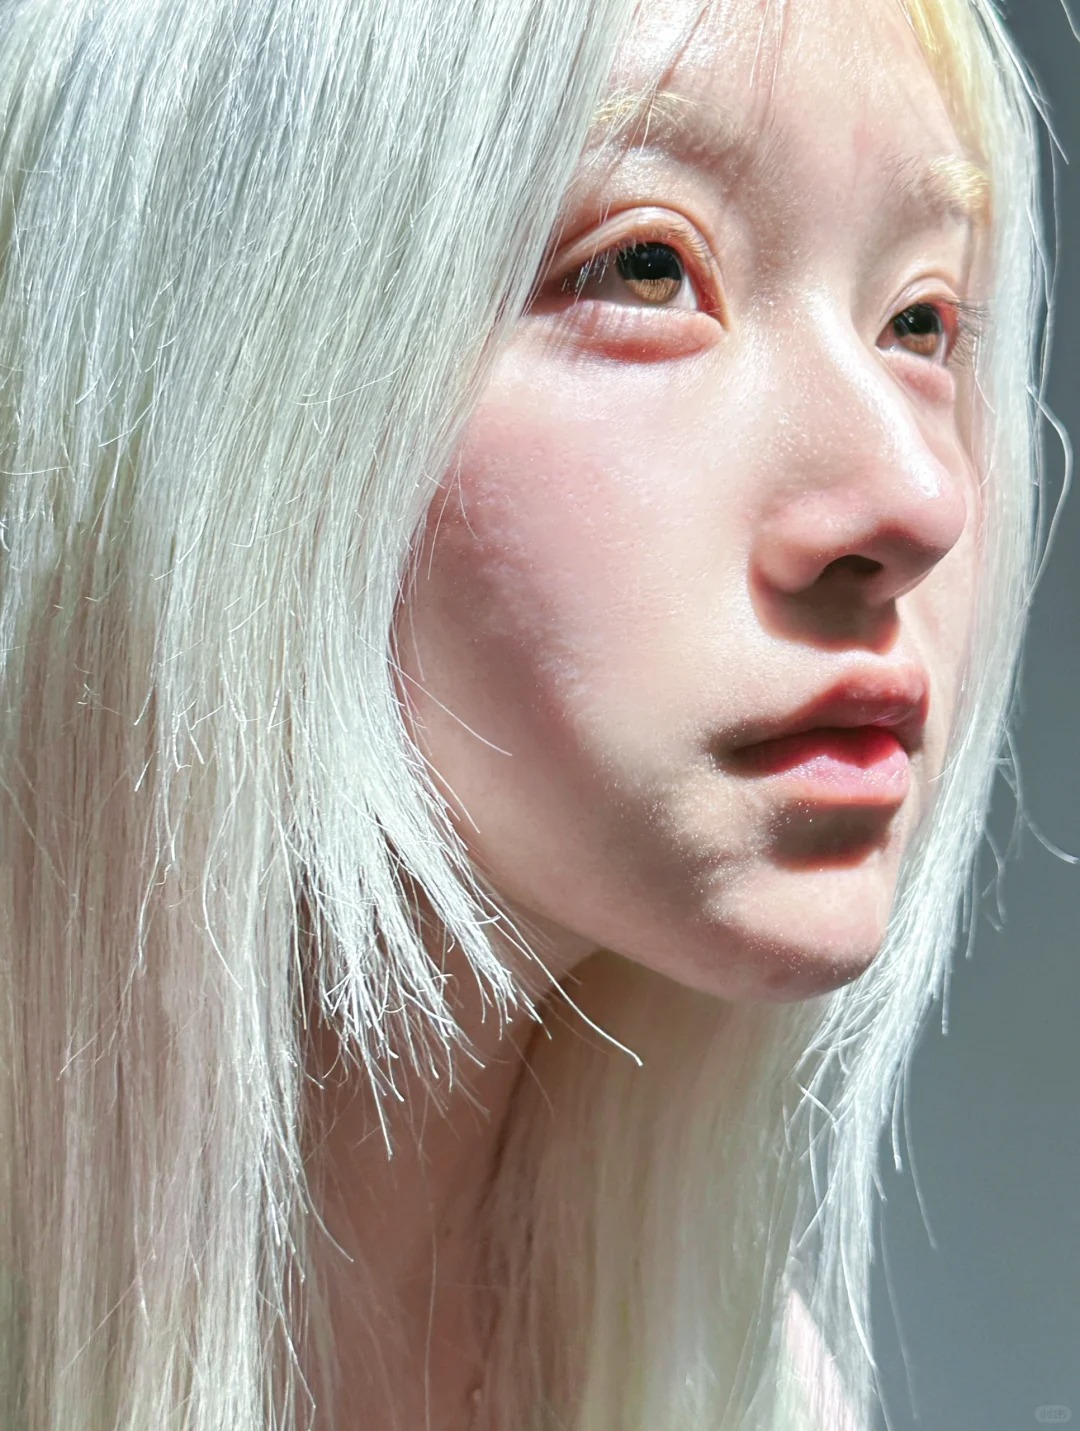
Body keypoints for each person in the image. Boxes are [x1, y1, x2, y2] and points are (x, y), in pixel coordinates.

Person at [0, 0, 1049, 1426]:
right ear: (200, 357)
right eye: (646, 266)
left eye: (920, 322)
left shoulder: (740, 1383)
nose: (918, 500)